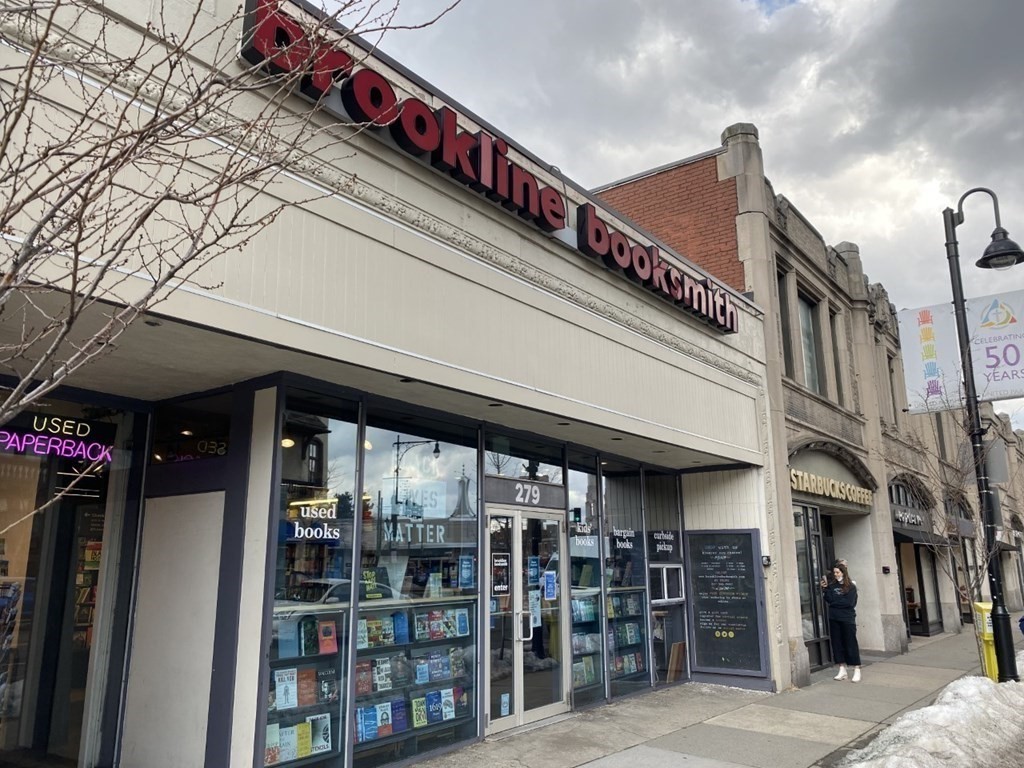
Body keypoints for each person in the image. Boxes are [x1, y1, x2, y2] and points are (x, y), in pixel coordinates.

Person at [820, 562, 862, 682]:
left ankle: (856, 668)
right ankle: (842, 669)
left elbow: (849, 603)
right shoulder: (832, 586)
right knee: (837, 644)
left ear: (843, 572)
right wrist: (825, 589)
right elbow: (829, 600)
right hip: (834, 618)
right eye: (834, 572)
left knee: (850, 643)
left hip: (847, 618)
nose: (836, 574)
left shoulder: (851, 587)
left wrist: (835, 602)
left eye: (838, 572)